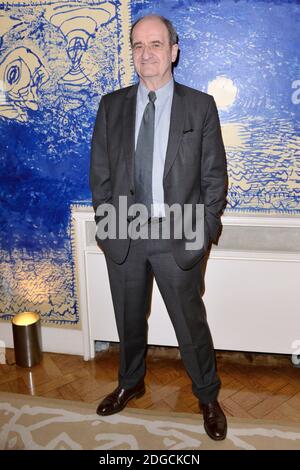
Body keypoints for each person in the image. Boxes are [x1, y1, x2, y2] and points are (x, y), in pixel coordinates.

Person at [90, 14, 228, 441]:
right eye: (137, 45)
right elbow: (100, 174)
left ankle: (206, 395)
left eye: (155, 44)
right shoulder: (111, 105)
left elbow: (213, 179)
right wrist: (106, 220)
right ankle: (131, 382)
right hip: (123, 231)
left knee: (191, 324)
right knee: (128, 320)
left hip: (179, 231)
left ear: (173, 51)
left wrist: (202, 231)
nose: (145, 53)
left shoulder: (199, 106)